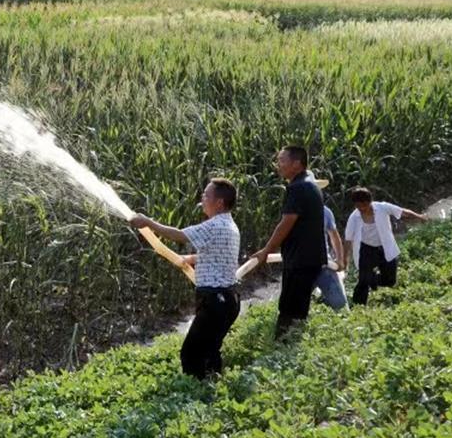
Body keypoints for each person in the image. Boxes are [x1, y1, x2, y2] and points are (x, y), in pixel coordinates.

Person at [130, 178, 240, 379]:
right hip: (227, 300)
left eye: (206, 194)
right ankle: (212, 387)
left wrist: (148, 222)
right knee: (210, 349)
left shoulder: (215, 225)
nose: (202, 197)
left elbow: (179, 235)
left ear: (219, 203)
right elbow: (218, 254)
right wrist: (190, 259)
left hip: (216, 301)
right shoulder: (229, 225)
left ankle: (197, 396)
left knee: (191, 353)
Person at [254, 146, 327, 339]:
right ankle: (292, 344)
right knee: (299, 306)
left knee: (289, 308)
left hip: (301, 259)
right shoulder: (309, 182)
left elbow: (285, 224)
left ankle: (283, 347)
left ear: (296, 164)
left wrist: (266, 251)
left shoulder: (298, 187)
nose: (278, 165)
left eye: (282, 161)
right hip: (310, 257)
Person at [344, 187, 429, 305]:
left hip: (385, 247)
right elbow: (348, 238)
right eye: (358, 207)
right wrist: (345, 259)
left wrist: (419, 217)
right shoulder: (354, 217)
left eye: (364, 206)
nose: (362, 209)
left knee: (390, 280)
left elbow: (402, 212)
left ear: (369, 202)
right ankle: (358, 305)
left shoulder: (382, 207)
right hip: (366, 249)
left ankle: (373, 280)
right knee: (363, 281)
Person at [307, 171, 348, 311]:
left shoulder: (325, 212)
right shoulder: (292, 214)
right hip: (301, 267)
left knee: (341, 307)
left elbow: (334, 236)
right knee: (294, 311)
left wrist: (340, 260)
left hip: (324, 265)